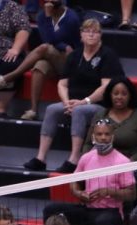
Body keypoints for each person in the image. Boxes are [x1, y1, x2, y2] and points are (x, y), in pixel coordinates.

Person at [43, 119, 135, 225]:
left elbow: (131, 193)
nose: (103, 138)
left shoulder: (123, 161)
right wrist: (79, 194)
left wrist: (109, 191)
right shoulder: (87, 157)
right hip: (88, 208)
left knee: (103, 222)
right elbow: (74, 183)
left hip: (111, 211)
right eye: (99, 134)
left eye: (107, 134)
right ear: (93, 136)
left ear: (112, 136)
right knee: (51, 210)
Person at [24, 18, 125, 173]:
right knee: (52, 109)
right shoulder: (74, 55)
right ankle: (41, 158)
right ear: (81, 35)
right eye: (87, 31)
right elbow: (62, 84)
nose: (91, 34)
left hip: (99, 105)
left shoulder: (107, 55)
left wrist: (84, 102)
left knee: (79, 111)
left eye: (95, 31)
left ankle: (74, 159)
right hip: (74, 103)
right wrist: (66, 103)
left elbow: (106, 87)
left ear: (100, 35)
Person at [0, 0, 81, 121]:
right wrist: (62, 45)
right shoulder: (42, 16)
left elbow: (59, 41)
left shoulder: (71, 17)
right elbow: (49, 38)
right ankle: (33, 110)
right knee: (40, 65)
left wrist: (64, 47)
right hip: (55, 57)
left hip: (72, 62)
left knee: (44, 47)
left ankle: (10, 77)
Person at [81, 77, 137, 162]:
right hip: (102, 165)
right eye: (115, 93)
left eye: (124, 94)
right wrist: (87, 161)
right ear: (110, 95)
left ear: (130, 96)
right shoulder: (101, 115)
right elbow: (88, 144)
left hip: (130, 166)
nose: (119, 97)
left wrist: (132, 161)